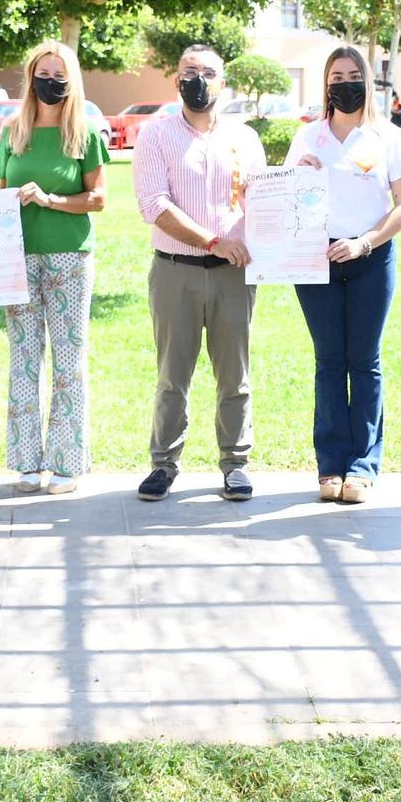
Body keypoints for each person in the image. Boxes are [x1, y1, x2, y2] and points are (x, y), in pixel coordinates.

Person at [132, 43, 267, 501]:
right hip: (176, 271)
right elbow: (155, 206)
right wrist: (211, 241)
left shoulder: (244, 140)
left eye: (208, 72)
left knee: (235, 375)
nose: (198, 79)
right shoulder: (156, 136)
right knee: (173, 374)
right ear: (175, 80)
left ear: (222, 84)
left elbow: (262, 201)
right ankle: (164, 465)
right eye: (190, 70)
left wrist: (295, 184)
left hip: (233, 274)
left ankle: (235, 464)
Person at [286, 46, 401, 503]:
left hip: (370, 259)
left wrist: (364, 242)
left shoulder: (387, 137)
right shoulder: (308, 138)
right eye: (336, 76)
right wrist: (296, 177)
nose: (344, 83)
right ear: (326, 85)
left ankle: (362, 465)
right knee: (329, 361)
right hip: (316, 262)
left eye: (352, 74)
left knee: (364, 361)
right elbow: (285, 201)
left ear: (367, 81)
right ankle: (330, 465)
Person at [0, 40, 108, 495]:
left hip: (69, 257)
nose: (51, 81)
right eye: (43, 72)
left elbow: (98, 199)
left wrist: (51, 200)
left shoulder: (85, 133)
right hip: (18, 257)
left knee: (68, 361)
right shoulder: (13, 131)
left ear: (72, 80)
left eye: (60, 74)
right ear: (30, 76)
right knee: (22, 358)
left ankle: (66, 462)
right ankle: (25, 460)